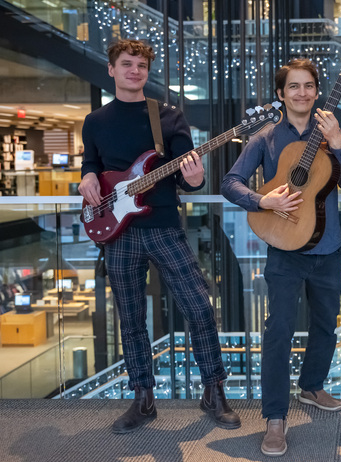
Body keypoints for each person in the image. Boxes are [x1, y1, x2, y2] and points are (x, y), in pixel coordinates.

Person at [79, 39, 240, 434]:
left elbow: (191, 175)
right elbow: (92, 163)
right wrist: (85, 177)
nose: (135, 70)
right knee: (131, 319)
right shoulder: (95, 121)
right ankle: (143, 398)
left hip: (164, 226)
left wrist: (196, 177)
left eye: (141, 65)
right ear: (112, 69)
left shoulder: (167, 117)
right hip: (117, 233)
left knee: (200, 308)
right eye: (127, 64)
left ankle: (213, 391)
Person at [221, 58, 341, 457]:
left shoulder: (332, 131)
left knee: (326, 327)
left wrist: (339, 145)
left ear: (318, 91)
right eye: (293, 87)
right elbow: (230, 182)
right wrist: (262, 199)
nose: (302, 93)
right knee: (278, 333)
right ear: (281, 94)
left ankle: (313, 387)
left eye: (309, 85)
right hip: (283, 249)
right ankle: (276, 418)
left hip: (328, 247)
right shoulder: (265, 138)